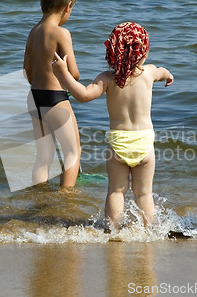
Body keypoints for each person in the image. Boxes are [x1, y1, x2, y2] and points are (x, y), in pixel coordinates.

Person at [52, 22, 174, 227]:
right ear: (144, 51)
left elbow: (82, 95)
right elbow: (163, 71)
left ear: (112, 51)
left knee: (116, 191)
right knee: (144, 193)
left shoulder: (107, 79)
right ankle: (150, 233)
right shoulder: (150, 73)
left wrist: (63, 73)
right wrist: (168, 75)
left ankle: (114, 231)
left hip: (118, 144)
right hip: (144, 143)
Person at [23, 0, 81, 193]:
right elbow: (73, 74)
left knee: (43, 156)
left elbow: (27, 73)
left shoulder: (33, 32)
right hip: (55, 100)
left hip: (34, 98)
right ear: (68, 6)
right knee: (72, 152)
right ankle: (66, 200)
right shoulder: (61, 33)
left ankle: (39, 197)